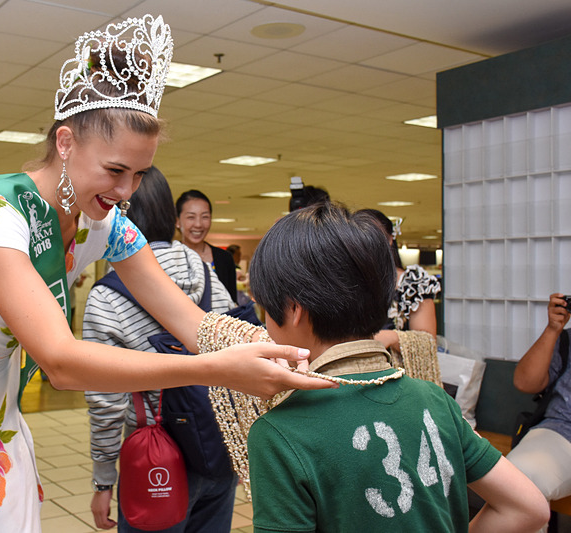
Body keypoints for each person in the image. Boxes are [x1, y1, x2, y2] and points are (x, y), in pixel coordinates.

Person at [0, 15, 331, 533]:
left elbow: (190, 321)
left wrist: (291, 350)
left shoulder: (103, 224)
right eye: (115, 171)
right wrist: (217, 370)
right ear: (65, 142)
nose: (127, 191)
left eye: (140, 175)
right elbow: (61, 362)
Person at [244, 203, 549, 532]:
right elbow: (529, 508)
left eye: (265, 308)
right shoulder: (433, 399)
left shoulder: (279, 432)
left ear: (292, 309)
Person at [85, 166, 238, 532]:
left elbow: (106, 402)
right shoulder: (203, 271)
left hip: (155, 460)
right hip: (216, 446)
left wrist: (104, 481)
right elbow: (229, 342)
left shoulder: (106, 295)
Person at [508, 293, 571, 530]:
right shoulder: (567, 340)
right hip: (562, 431)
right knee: (516, 482)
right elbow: (525, 383)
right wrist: (553, 329)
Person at [359, 208, 441, 352]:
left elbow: (427, 341)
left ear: (390, 239)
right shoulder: (346, 281)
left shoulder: (412, 283)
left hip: (398, 368)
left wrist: (391, 338)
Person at [175, 190, 237, 303]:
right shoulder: (169, 257)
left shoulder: (224, 258)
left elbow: (232, 301)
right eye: (191, 217)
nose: (198, 224)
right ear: (177, 221)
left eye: (205, 217)